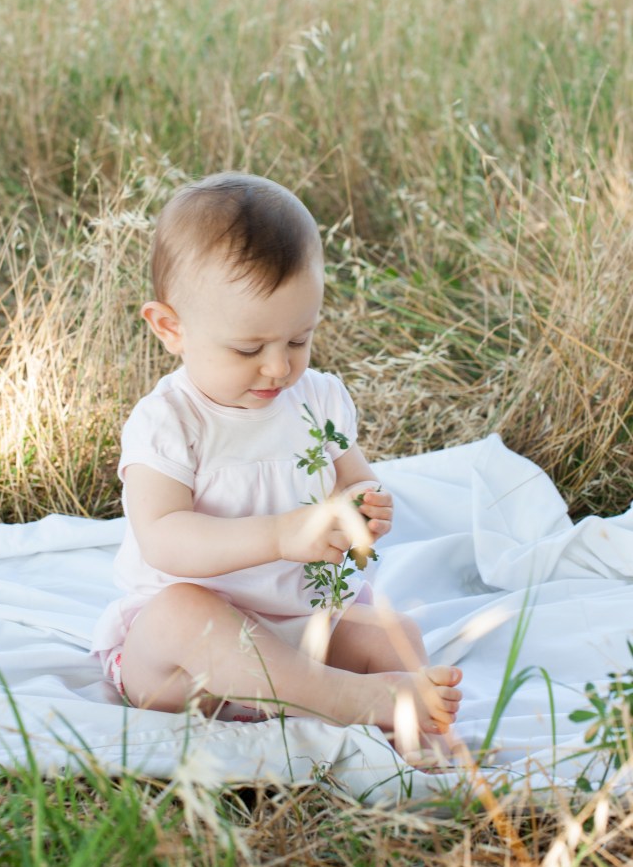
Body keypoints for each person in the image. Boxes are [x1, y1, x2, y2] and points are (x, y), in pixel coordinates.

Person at [91, 172, 462, 750]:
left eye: (298, 340)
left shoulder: (318, 400)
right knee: (180, 613)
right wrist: (281, 536)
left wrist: (362, 508)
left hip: (302, 628)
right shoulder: (170, 422)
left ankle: (415, 736)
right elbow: (162, 538)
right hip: (189, 667)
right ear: (171, 328)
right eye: (248, 348)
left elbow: (353, 478)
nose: (278, 368)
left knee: (395, 633)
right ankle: (346, 699)